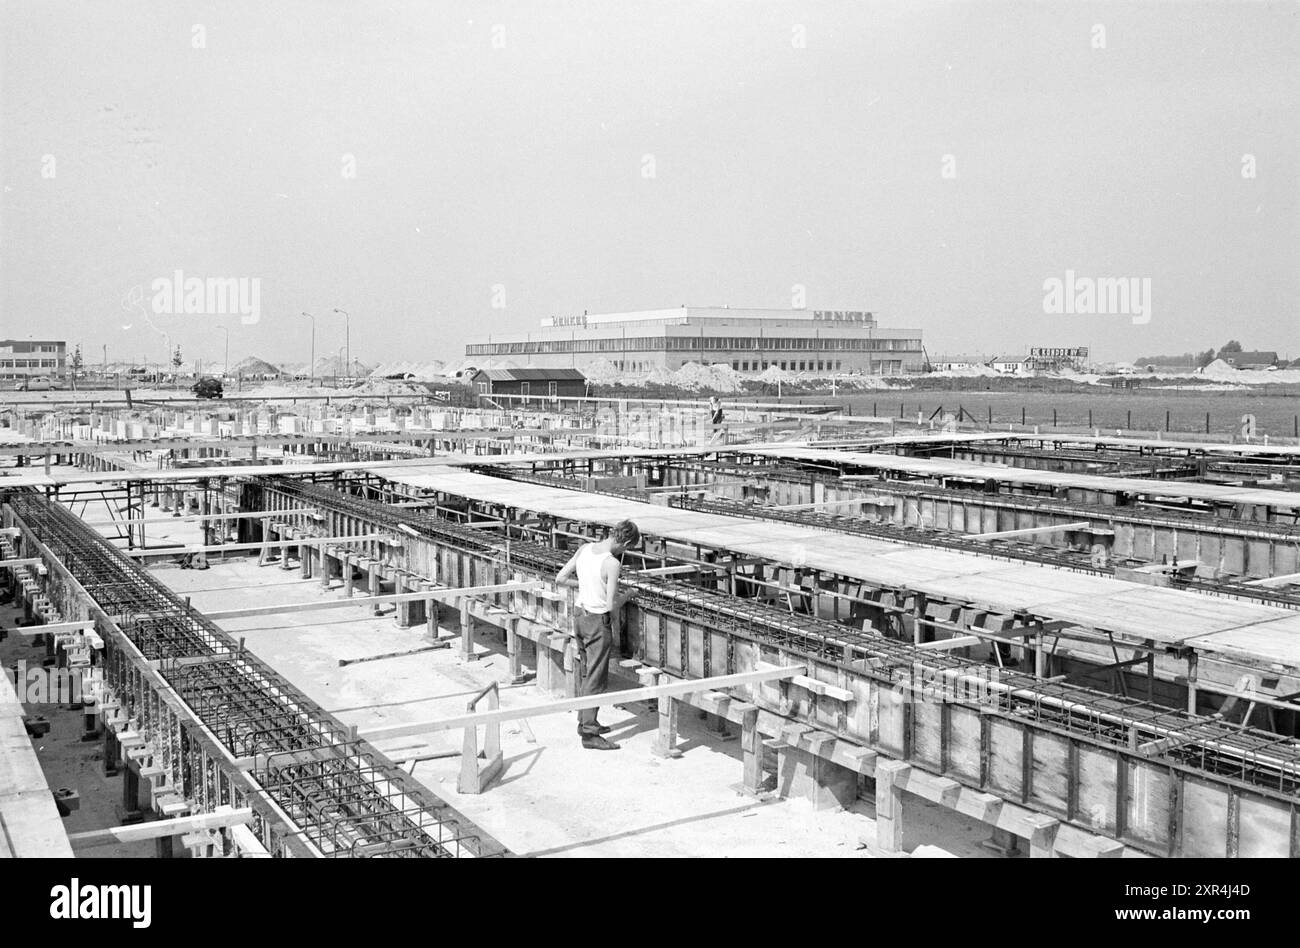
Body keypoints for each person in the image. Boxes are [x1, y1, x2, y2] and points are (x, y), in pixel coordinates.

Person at [556, 519, 641, 750]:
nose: (626, 552)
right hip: (596, 622)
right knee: (596, 677)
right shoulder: (611, 563)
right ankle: (590, 735)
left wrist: (586, 584)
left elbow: (560, 579)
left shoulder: (584, 549)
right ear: (624, 540)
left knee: (586, 672)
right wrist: (629, 594)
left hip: (579, 618)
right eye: (628, 547)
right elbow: (611, 605)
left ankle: (585, 722)